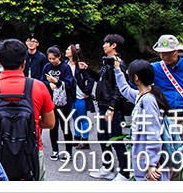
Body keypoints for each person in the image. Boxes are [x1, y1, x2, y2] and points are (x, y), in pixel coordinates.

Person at [0, 39, 55, 180]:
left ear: (0, 62)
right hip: (32, 152)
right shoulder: (38, 86)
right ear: (24, 63)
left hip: (0, 152)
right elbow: (50, 123)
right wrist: (34, 123)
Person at [79, 34, 130, 180]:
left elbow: (120, 88)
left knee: (115, 138)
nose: (103, 45)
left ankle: (125, 173)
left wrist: (112, 107)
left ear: (113, 45)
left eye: (106, 43)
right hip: (103, 106)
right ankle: (107, 167)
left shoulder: (117, 63)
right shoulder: (106, 62)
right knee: (102, 137)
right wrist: (87, 70)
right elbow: (101, 80)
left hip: (110, 108)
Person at [151, 34, 183, 181]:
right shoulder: (154, 69)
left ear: (177, 51)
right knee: (170, 162)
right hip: (168, 121)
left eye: (168, 52)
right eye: (161, 53)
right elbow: (135, 82)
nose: (164, 56)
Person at [114, 58, 170, 181]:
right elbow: (124, 89)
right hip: (142, 161)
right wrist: (117, 70)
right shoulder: (141, 95)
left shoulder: (148, 100)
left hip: (148, 164)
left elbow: (153, 133)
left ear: (136, 78)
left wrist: (151, 164)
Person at [41, 46, 76, 160]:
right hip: (51, 102)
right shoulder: (47, 66)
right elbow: (42, 80)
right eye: (49, 58)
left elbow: (70, 83)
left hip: (64, 103)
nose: (51, 61)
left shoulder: (65, 68)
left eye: (53, 59)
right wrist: (48, 84)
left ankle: (68, 151)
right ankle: (55, 150)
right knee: (53, 126)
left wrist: (57, 81)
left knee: (65, 126)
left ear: (59, 56)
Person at [66, 44, 95, 150]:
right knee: (74, 118)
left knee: (82, 117)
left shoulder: (80, 66)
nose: (66, 51)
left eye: (68, 49)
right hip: (70, 96)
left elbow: (90, 79)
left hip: (80, 96)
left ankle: (85, 140)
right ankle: (77, 137)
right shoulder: (66, 65)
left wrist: (87, 92)